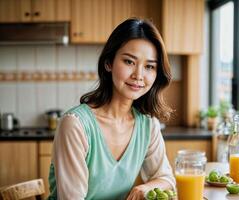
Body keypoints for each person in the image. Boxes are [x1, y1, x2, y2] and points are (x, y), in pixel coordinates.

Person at [48, 18, 176, 200]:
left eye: (149, 66)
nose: (139, 75)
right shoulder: (75, 125)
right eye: (129, 62)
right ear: (108, 63)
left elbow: (166, 179)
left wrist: (146, 188)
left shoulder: (148, 125)